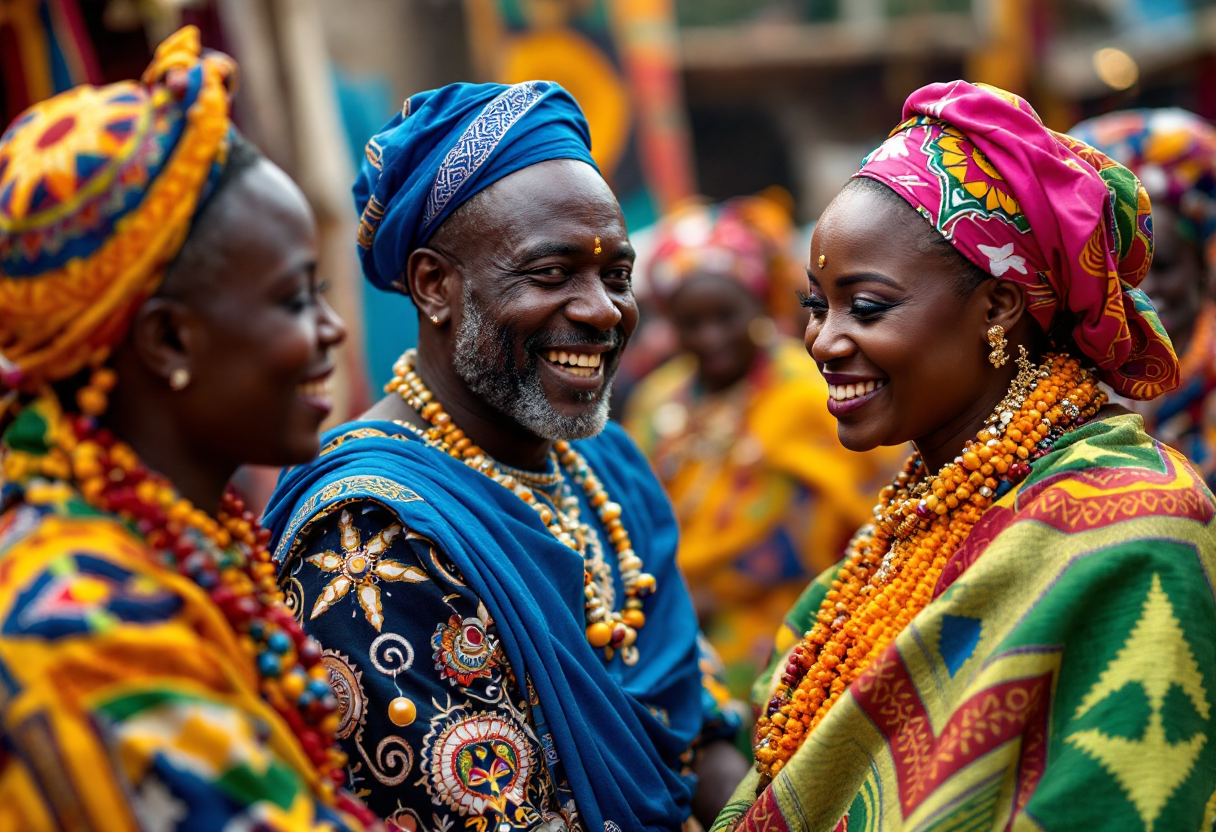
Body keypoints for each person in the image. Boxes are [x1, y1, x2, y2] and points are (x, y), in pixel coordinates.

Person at [711, 81, 1216, 832]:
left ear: (999, 306)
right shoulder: (927, 504)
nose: (823, 342)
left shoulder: (1135, 529)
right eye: (817, 305)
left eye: (867, 306)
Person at [263, 81, 747, 832]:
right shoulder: (367, 535)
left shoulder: (608, 466)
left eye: (616, 276)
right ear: (433, 286)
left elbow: (702, 718)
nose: (600, 311)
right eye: (551, 275)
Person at [0, 28, 381, 831]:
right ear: (168, 339)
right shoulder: (86, 624)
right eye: (292, 300)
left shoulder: (180, 544)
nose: (332, 330)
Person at [624, 195, 899, 707]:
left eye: (726, 315)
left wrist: (711, 591)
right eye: (691, 322)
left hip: (795, 626)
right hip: (673, 622)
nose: (711, 337)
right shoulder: (656, 398)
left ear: (760, 305)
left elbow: (836, 519)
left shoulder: (804, 392)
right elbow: (636, 508)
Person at [1069, 109, 1216, 488]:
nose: (1142, 295)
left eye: (1163, 266)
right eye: (1123, 273)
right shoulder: (1064, 385)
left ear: (1201, 271)